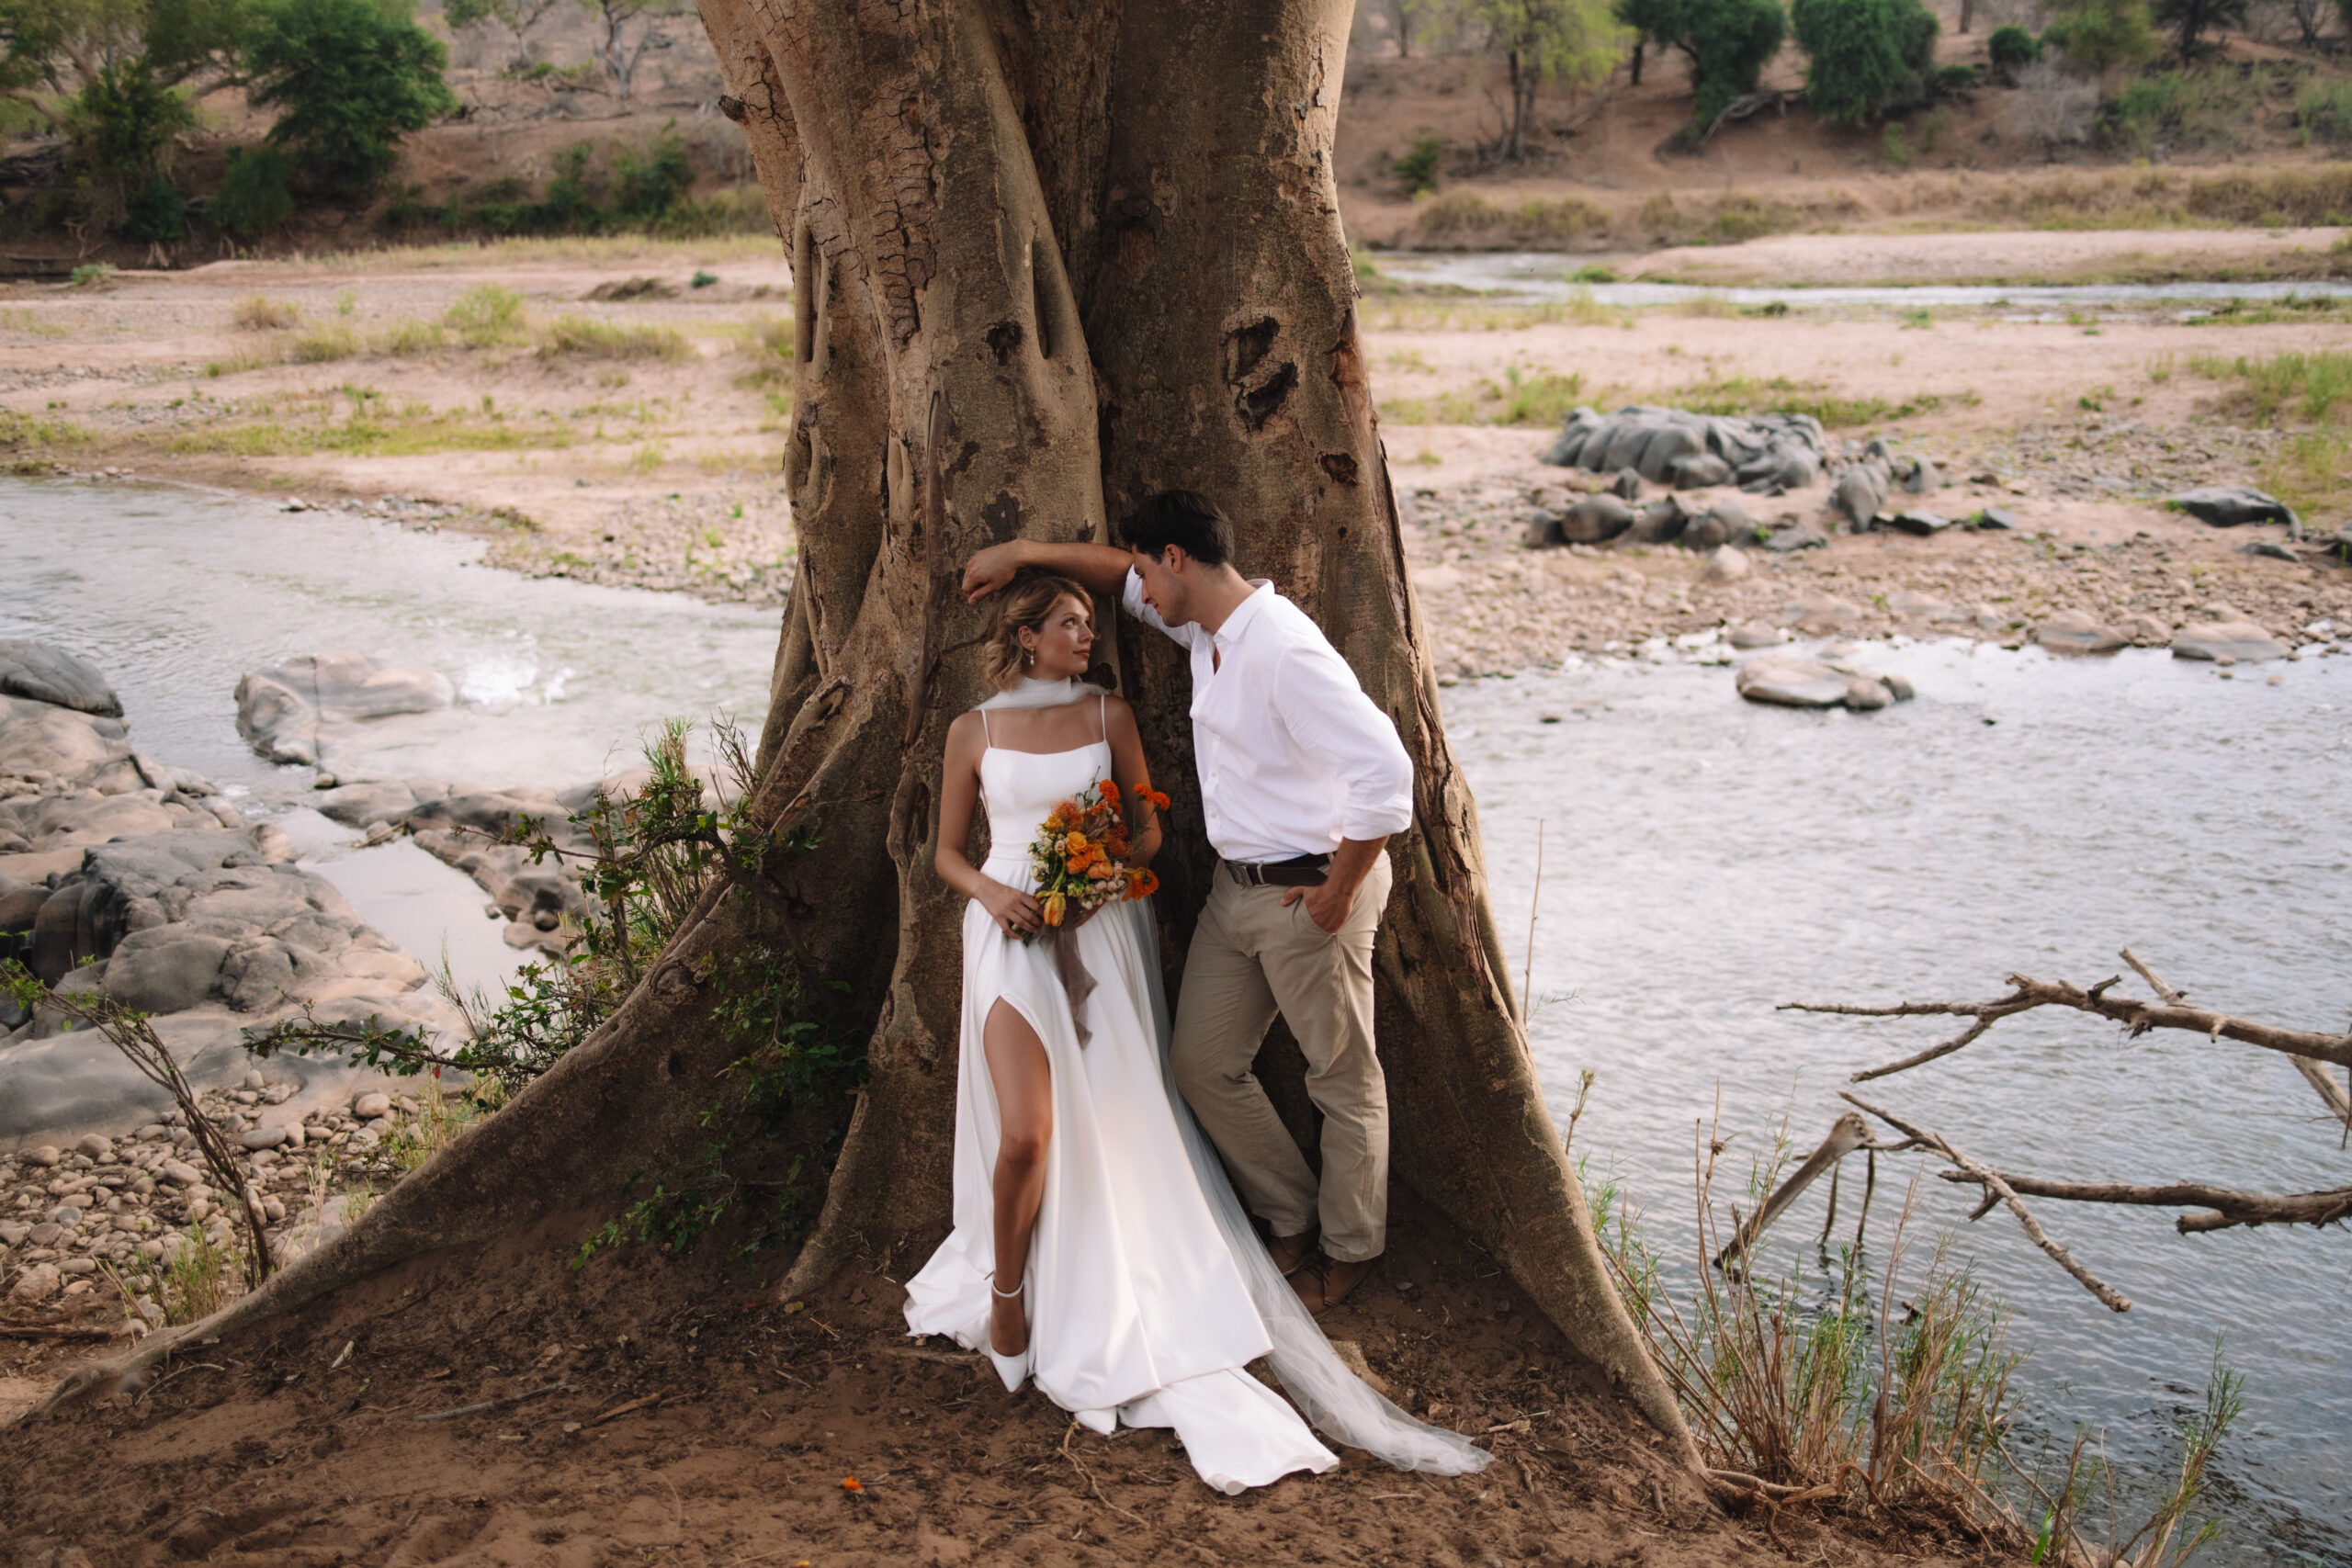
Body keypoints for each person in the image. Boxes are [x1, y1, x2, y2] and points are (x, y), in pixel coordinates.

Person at [902, 570, 1484, 1495]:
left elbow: (1143, 835)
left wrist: (1096, 872)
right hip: (1008, 929)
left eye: (1092, 620)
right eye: (1068, 623)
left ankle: (1216, 1247)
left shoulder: (1110, 717)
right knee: (1025, 1130)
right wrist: (996, 890)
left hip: (1102, 924)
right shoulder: (969, 729)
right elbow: (942, 852)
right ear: (1024, 639)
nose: (1087, 635)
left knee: (1127, 1106)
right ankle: (1007, 1295)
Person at [960, 491, 1414, 1317]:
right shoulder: (1206, 630)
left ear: (1175, 558)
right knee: (1201, 1066)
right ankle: (1291, 1211)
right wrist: (1026, 552)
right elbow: (1115, 577)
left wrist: (1337, 894)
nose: (1130, 591)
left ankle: (1349, 1253)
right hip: (1235, 893)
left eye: (1142, 567)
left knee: (1342, 1078)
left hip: (1311, 888)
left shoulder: (1281, 649)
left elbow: (1388, 775)